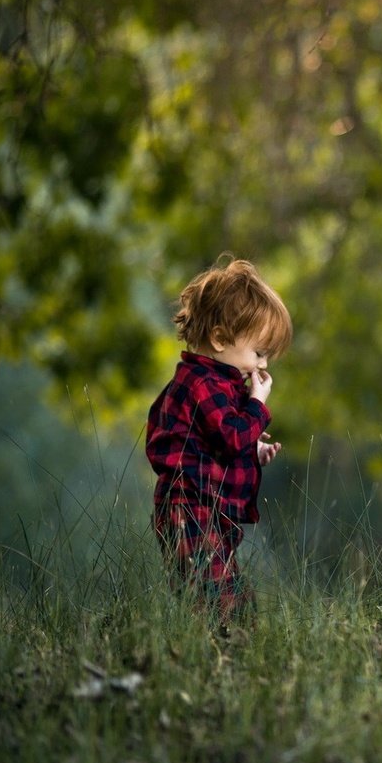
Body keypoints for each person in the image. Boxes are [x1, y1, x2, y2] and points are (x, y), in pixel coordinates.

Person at [146, 255, 293, 625]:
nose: (262, 366)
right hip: (190, 509)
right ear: (219, 338)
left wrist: (254, 450)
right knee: (215, 600)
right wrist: (257, 407)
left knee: (233, 599)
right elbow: (230, 436)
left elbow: (215, 443)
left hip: (211, 511)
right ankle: (215, 661)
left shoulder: (219, 387)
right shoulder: (202, 385)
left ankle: (228, 659)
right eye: (258, 353)